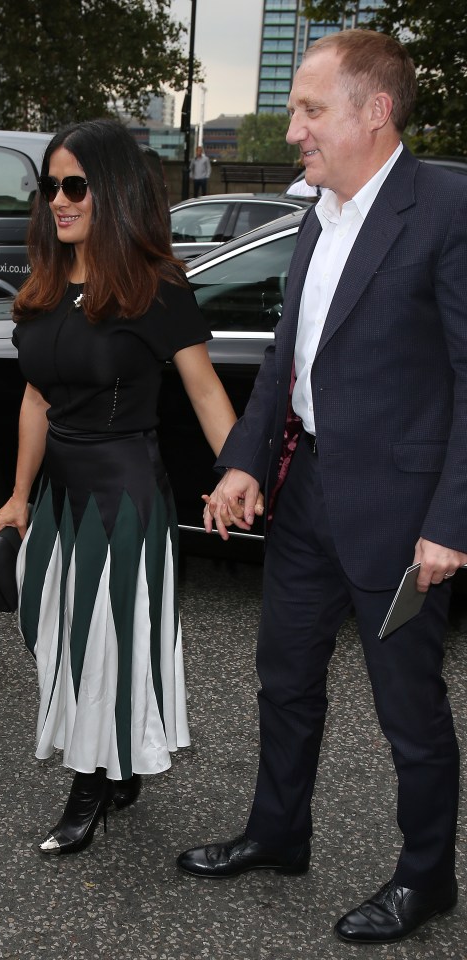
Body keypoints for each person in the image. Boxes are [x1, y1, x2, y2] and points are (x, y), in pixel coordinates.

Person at [177, 28, 467, 946]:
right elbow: (287, 366)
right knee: (283, 679)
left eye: (310, 109)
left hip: (404, 518)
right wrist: (245, 462)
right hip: (305, 503)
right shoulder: (317, 212)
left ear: (373, 111)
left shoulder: (449, 208)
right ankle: (278, 832)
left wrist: (451, 521)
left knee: (410, 715)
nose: (294, 128)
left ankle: (428, 880)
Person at [0, 119, 256, 856]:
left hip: (124, 495)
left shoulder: (154, 288)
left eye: (75, 185)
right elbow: (36, 398)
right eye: (50, 187)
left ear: (113, 191)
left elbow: (204, 392)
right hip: (59, 498)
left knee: (100, 643)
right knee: (51, 633)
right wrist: (17, 496)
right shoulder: (43, 283)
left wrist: (238, 473)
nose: (59, 200)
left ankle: (91, 783)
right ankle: (114, 759)